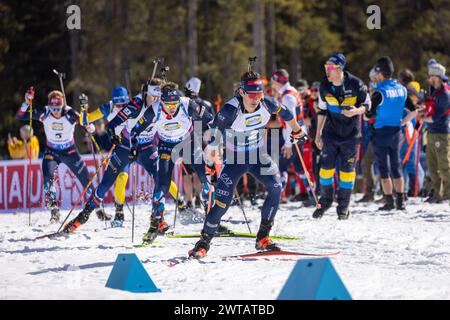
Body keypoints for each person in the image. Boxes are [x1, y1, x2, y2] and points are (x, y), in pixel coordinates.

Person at [188, 69, 307, 259]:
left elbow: (286, 114)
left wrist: (297, 131)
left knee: (276, 186)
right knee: (222, 203)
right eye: (251, 95)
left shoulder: (266, 103)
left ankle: (263, 237)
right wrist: (209, 167)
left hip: (258, 156)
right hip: (235, 160)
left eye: (259, 94)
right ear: (242, 92)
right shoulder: (229, 111)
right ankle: (203, 243)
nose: (255, 99)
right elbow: (213, 141)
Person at [62, 79, 171, 233]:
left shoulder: (161, 106)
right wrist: (113, 135)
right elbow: (112, 124)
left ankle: (158, 218)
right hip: (125, 148)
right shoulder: (134, 104)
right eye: (155, 96)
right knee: (104, 186)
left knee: (160, 177)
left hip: (146, 148)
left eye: (159, 97)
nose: (157, 100)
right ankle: (81, 218)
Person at [127, 82, 214, 244]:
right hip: (166, 147)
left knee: (205, 178)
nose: (172, 107)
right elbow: (134, 131)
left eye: (175, 104)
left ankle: (212, 220)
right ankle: (155, 223)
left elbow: (210, 118)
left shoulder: (186, 104)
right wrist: (133, 147)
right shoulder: (154, 109)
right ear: (162, 102)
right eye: (169, 104)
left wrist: (212, 136)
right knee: (162, 184)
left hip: (188, 143)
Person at [16, 89, 103, 223]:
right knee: (47, 180)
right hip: (52, 152)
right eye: (53, 108)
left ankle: (97, 208)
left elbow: (84, 121)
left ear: (62, 105)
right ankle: (54, 211)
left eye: (58, 108)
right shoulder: (44, 113)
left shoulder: (70, 114)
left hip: (70, 152)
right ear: (49, 106)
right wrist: (26, 103)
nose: (56, 111)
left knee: (86, 180)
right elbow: (21, 116)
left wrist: (89, 124)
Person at [313, 53, 371, 220]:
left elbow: (367, 104)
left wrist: (356, 111)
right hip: (331, 134)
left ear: (340, 69)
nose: (327, 71)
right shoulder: (324, 86)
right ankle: (325, 202)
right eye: (325, 68)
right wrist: (318, 135)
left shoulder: (356, 84)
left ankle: (343, 206)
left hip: (351, 135)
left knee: (347, 172)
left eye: (330, 68)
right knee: (325, 171)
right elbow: (322, 111)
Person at [365, 57, 417, 211]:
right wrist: (402, 121)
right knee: (396, 165)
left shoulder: (379, 92)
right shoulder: (402, 89)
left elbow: (368, 115)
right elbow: (414, 110)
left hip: (381, 132)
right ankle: (400, 200)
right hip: (396, 131)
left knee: (383, 167)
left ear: (380, 74)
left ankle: (389, 201)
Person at [81, 86, 133, 226]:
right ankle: (119, 214)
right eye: (118, 105)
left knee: (122, 179)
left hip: (133, 148)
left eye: (124, 104)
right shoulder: (107, 108)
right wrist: (83, 109)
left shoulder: (133, 106)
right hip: (118, 149)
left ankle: (182, 203)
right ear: (113, 102)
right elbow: (85, 120)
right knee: (119, 180)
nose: (121, 107)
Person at [271, 69, 310, 204]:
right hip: (296, 133)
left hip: (294, 135)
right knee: (299, 167)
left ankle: (276, 197)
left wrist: (288, 144)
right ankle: (312, 192)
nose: (272, 84)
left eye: (273, 81)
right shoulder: (288, 92)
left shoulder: (287, 96)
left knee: (281, 167)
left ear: (278, 81)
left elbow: (290, 121)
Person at [422, 62, 450, 203]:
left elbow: (436, 116)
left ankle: (448, 193)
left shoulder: (444, 94)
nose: (429, 78)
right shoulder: (434, 90)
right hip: (431, 132)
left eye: (431, 76)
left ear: (438, 77)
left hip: (441, 133)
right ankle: (437, 193)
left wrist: (421, 117)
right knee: (432, 166)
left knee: (444, 165)